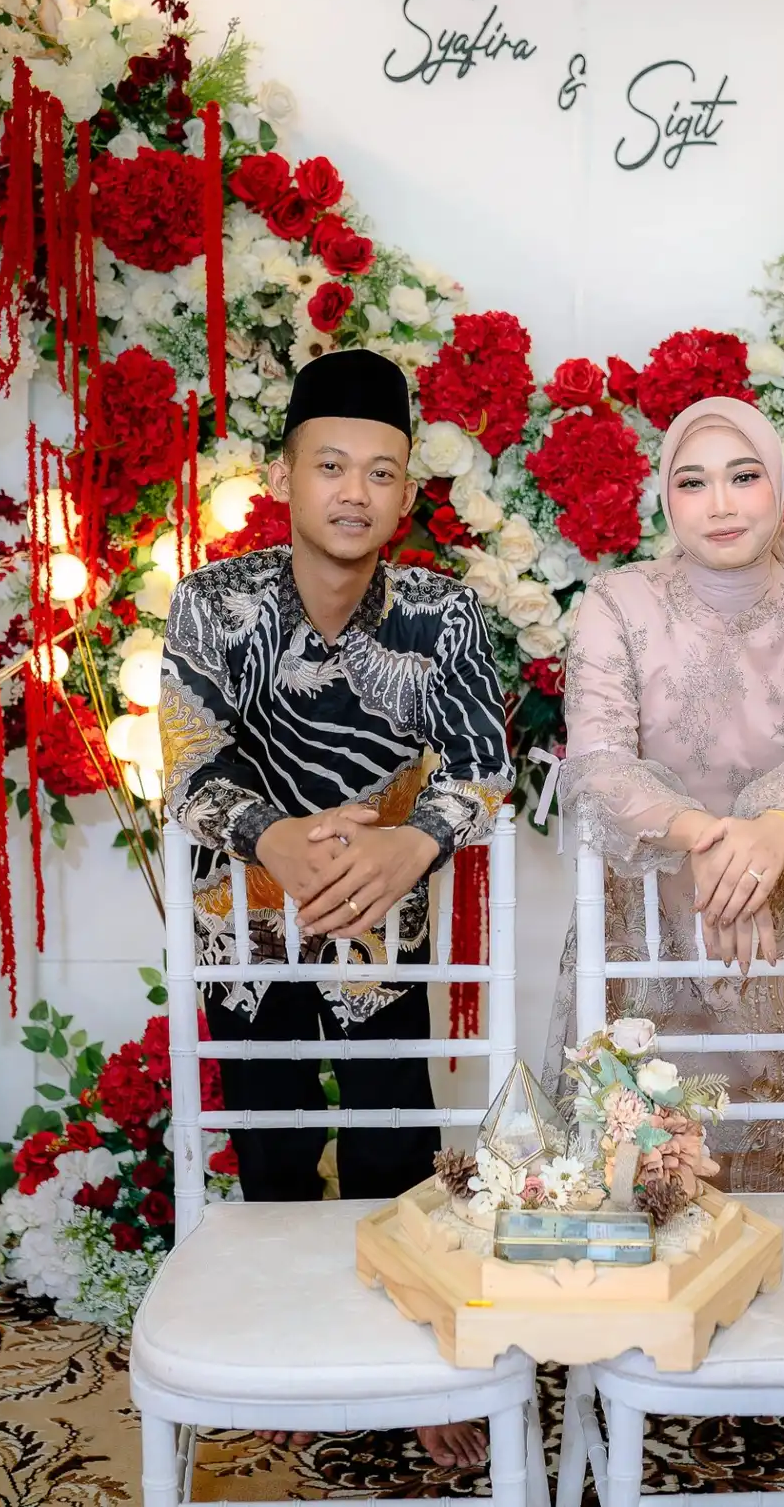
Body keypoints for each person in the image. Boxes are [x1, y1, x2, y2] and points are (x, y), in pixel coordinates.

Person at [160, 348, 510, 1467]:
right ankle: (284, 1349)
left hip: (379, 923)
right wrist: (274, 837)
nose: (354, 491)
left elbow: (485, 765)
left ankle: (413, 1364)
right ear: (285, 477)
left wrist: (414, 840)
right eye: (331, 466)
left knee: (394, 1135)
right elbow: (187, 763)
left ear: (407, 494)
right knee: (270, 1145)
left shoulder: (444, 615)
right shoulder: (213, 604)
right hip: (247, 924)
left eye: (381, 471)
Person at [543, 395, 784, 1194]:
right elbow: (595, 765)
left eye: (744, 476)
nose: (721, 504)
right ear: (666, 498)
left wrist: (777, 828)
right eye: (693, 483)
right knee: (638, 1178)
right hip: (647, 926)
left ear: (780, 486)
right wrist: (709, 838)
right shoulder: (617, 602)